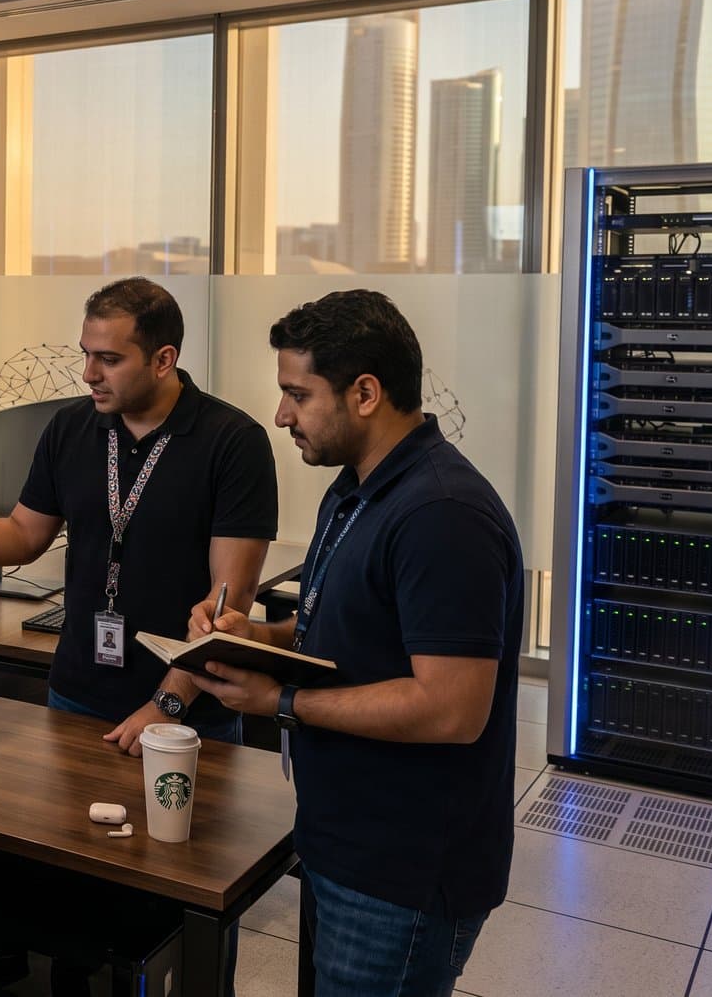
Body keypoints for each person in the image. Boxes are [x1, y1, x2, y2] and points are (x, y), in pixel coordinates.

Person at [186, 290, 521, 997]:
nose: (281, 415)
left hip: (404, 873)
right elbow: (339, 628)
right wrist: (255, 635)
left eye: (297, 395)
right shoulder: (355, 489)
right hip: (345, 840)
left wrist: (282, 700)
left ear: (365, 393)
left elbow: (452, 708)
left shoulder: (441, 515)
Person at [0, 277, 278, 749]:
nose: (88, 374)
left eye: (109, 360)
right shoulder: (70, 427)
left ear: (164, 360)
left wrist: (166, 704)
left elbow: (228, 602)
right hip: (75, 692)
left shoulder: (233, 442)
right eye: (86, 354)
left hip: (188, 708)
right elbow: (23, 534)